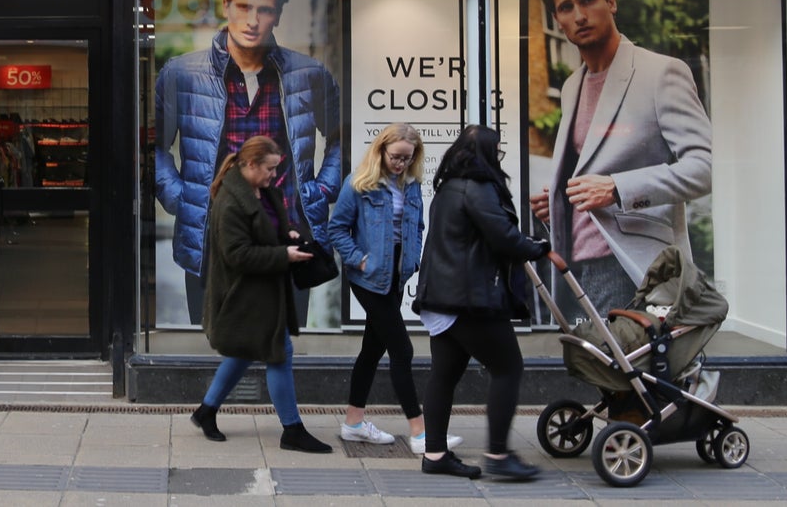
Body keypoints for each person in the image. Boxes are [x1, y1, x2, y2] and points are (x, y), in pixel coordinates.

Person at [154, 0, 343, 325]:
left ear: (278, 15)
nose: (253, 20)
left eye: (265, 10)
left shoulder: (309, 74)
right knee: (213, 341)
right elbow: (155, 147)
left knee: (284, 341)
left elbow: (340, 139)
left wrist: (322, 189)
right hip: (213, 240)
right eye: (243, 7)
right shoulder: (182, 74)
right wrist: (180, 197)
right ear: (226, 5)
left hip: (287, 238)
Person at [528, 0, 712, 317]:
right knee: (588, 353)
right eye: (566, 7)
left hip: (630, 264)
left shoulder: (661, 72)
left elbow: (705, 167)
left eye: (587, 0)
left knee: (621, 354)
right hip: (574, 265)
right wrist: (559, 201)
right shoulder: (571, 86)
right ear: (557, 20)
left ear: (611, 1)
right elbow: (591, 166)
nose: (579, 16)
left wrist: (617, 188)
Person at [414, 126, 553, 480]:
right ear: (488, 154)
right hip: (470, 298)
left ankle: (435, 454)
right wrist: (540, 248)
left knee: (444, 374)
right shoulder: (478, 188)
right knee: (508, 368)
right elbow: (503, 237)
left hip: (442, 296)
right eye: (497, 152)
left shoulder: (447, 187)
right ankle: (498, 454)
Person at [188, 135, 334, 454]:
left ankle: (206, 410)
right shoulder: (230, 201)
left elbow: (265, 230)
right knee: (278, 352)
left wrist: (286, 235)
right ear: (251, 164)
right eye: (269, 168)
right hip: (245, 293)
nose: (274, 174)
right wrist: (284, 255)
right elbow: (237, 254)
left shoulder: (264, 191)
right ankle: (292, 430)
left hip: (264, 290)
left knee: (244, 352)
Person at [327, 123, 461, 455]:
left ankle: (353, 423)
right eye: (395, 156)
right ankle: (421, 433)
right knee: (402, 351)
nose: (400, 163)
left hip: (397, 277)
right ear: (381, 150)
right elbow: (337, 228)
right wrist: (359, 260)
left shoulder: (411, 186)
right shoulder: (359, 183)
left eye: (407, 158)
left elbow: (418, 226)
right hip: (369, 278)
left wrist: (413, 261)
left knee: (372, 350)